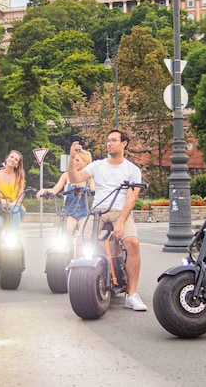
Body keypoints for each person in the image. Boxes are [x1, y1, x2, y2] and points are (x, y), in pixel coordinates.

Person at [67, 129, 147, 311]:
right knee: (80, 239)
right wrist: (72, 159)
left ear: (124, 143)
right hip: (98, 210)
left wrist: (120, 223)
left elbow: (131, 199)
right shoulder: (98, 165)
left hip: (121, 211)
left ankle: (132, 294)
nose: (109, 143)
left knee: (133, 242)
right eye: (107, 141)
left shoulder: (132, 170)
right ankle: (80, 284)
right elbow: (75, 178)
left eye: (113, 140)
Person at [36, 149, 96, 241]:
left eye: (77, 160)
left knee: (83, 235)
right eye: (73, 160)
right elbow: (54, 190)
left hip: (83, 212)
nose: (74, 163)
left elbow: (93, 189)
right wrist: (44, 191)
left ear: (85, 162)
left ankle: (81, 253)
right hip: (69, 212)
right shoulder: (66, 175)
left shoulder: (89, 178)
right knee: (66, 233)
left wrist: (94, 190)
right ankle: (65, 252)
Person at [0, 150, 27, 264]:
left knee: (15, 209)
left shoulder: (19, 176)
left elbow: (20, 197)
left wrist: (13, 203)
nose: (12, 160)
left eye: (16, 160)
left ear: (17, 164)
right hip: (0, 207)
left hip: (15, 207)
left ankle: (15, 239)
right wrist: (3, 202)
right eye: (11, 157)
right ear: (7, 159)